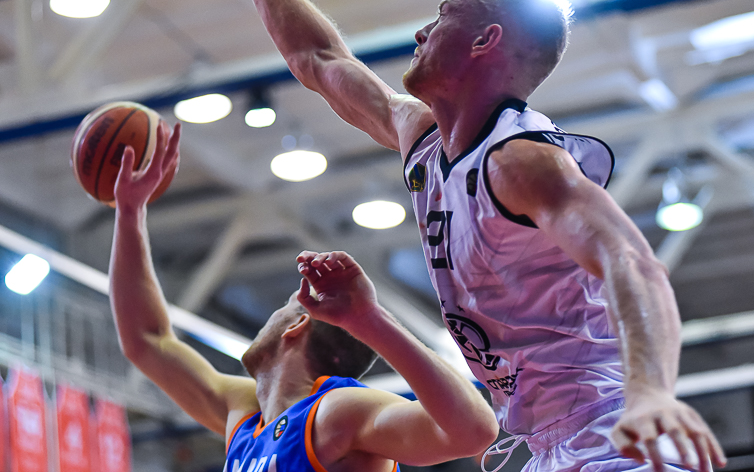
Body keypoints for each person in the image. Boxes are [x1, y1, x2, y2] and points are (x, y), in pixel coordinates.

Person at [229, 0, 728, 472]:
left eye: (443, 15)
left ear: (484, 40)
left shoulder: (520, 161)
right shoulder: (424, 141)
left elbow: (633, 261)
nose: (421, 32)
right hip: (548, 446)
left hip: (611, 431)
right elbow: (319, 58)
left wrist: (651, 391)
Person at [107, 123, 499, 472]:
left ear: (296, 327)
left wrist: (369, 319)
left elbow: (475, 432)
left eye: (283, 307)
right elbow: (147, 341)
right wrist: (128, 213)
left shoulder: (336, 412)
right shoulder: (245, 415)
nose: (269, 317)